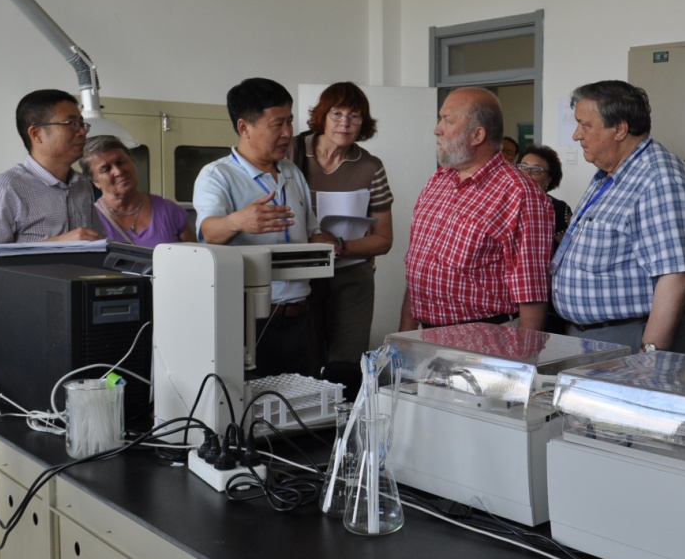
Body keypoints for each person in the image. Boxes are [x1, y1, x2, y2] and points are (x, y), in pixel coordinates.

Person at [550, 81, 685, 354]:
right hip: (592, 336)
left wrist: (650, 354)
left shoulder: (659, 178)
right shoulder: (609, 175)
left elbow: (676, 275)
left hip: (630, 336)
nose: (576, 135)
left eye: (585, 125)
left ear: (619, 129)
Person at [193, 77, 319, 378]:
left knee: (305, 400)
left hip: (300, 316)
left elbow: (312, 230)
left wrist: (331, 243)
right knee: (250, 401)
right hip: (249, 320)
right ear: (244, 127)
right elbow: (209, 232)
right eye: (277, 124)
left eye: (289, 121)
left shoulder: (292, 172)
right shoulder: (217, 175)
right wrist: (238, 221)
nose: (288, 133)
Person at [401, 87, 552, 331]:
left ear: (477, 135)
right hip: (426, 336)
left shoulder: (520, 194)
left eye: (448, 120)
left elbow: (531, 291)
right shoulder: (438, 181)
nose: (437, 129)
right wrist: (403, 337)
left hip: (486, 338)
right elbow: (418, 270)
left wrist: (526, 352)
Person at [295, 82, 394, 393]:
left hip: (352, 277)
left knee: (346, 367)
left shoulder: (370, 166)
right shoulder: (292, 154)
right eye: (337, 114)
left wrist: (337, 247)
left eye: (354, 116)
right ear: (322, 116)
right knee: (304, 361)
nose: (345, 123)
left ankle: (344, 420)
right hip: (301, 275)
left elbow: (383, 239)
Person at [0, 89, 104, 248]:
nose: (82, 132)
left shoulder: (83, 185)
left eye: (82, 124)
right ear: (36, 133)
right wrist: (59, 244)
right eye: (72, 124)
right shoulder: (3, 190)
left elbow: (96, 243)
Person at [81, 135, 195, 246]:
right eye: (106, 169)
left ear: (132, 162)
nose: (118, 172)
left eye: (121, 162)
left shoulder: (169, 211)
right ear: (94, 181)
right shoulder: (89, 221)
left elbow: (195, 255)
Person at [516, 145, 572, 251]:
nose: (526, 174)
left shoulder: (558, 208)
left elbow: (568, 249)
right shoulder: (504, 201)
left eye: (536, 170)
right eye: (523, 167)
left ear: (548, 180)